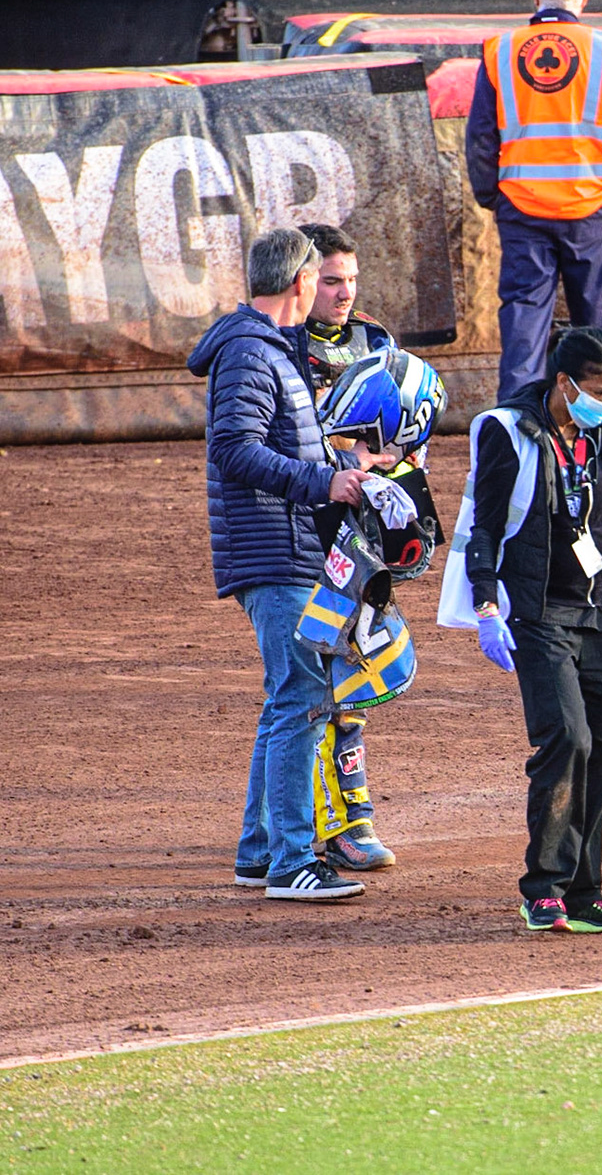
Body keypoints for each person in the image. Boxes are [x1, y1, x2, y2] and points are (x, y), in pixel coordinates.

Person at [438, 329, 602, 932]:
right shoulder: (508, 432)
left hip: (599, 611)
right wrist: (486, 607)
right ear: (564, 383)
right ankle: (543, 889)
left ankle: (585, 895)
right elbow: (485, 526)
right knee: (569, 740)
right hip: (538, 612)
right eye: (599, 391)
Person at [187, 226, 385, 902]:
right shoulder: (250, 351)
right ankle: (295, 861)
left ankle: (260, 850)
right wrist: (321, 484)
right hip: (273, 551)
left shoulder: (264, 348)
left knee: (287, 700)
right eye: (320, 278)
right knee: (301, 700)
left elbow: (274, 445)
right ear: (300, 281)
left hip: (284, 545)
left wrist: (345, 468)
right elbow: (235, 450)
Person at [465, 0, 602, 403]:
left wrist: (493, 196)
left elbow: (481, 137)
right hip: (589, 207)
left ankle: (517, 424)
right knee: (596, 320)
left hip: (522, 208)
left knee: (524, 320)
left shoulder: (499, 50)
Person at [298, 222, 400, 873]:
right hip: (302, 530)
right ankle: (334, 824)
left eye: (350, 281)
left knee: (355, 674)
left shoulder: (376, 340)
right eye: (330, 281)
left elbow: (404, 421)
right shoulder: (280, 344)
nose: (342, 293)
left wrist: (397, 461)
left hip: (361, 531)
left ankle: (352, 812)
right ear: (305, 281)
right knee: (313, 681)